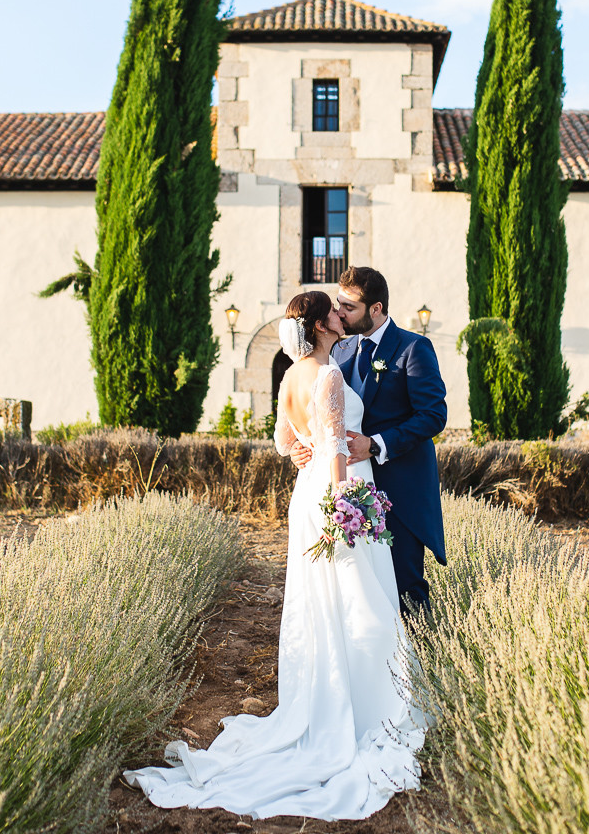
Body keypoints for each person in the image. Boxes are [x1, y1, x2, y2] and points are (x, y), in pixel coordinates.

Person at [122, 290, 425, 821]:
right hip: (339, 493)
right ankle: (370, 709)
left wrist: (302, 456)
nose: (340, 314)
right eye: (332, 310)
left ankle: (330, 697)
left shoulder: (289, 375)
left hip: (307, 495)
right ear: (318, 323)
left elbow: (283, 439)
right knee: (359, 602)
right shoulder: (328, 375)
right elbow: (332, 446)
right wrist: (346, 501)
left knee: (325, 601)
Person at [288, 267, 448, 613]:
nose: (339, 313)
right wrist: (299, 447)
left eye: (349, 307)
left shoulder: (413, 347)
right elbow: (319, 410)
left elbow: (434, 415)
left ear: (375, 309)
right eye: (338, 305)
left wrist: (375, 444)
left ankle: (419, 663)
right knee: (358, 593)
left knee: (405, 588)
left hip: (398, 490)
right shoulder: (338, 352)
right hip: (351, 494)